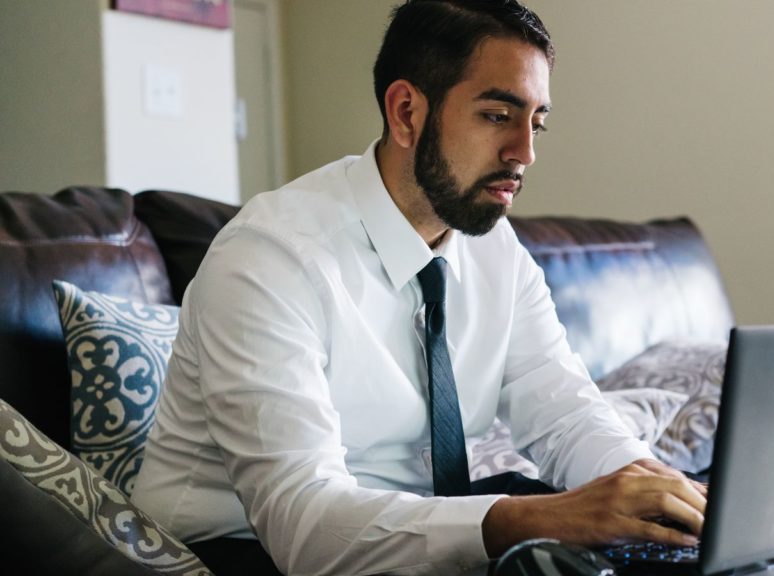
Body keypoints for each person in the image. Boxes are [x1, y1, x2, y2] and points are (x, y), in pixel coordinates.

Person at [132, 1, 707, 574]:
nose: (524, 154)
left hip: (419, 529)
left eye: (536, 123)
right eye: (497, 116)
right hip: (234, 552)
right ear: (406, 111)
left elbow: (565, 413)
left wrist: (655, 496)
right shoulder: (270, 260)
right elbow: (303, 526)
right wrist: (542, 516)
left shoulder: (494, 248)